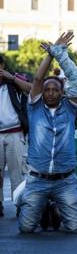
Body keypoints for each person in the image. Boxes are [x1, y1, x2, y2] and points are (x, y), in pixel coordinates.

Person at [18, 32, 77, 233]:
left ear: (62, 92)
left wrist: (60, 53)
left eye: (55, 90)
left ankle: (54, 206)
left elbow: (76, 78)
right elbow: (38, 78)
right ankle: (38, 204)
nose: (51, 93)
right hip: (37, 180)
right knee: (26, 228)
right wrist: (51, 54)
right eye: (47, 90)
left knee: (75, 227)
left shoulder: (70, 106)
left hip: (65, 181)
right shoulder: (35, 107)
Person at [0, 54, 31, 217]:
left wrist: (11, 77)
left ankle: (20, 204)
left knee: (17, 173)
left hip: (15, 133)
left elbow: (31, 88)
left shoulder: (13, 81)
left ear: (2, 65)